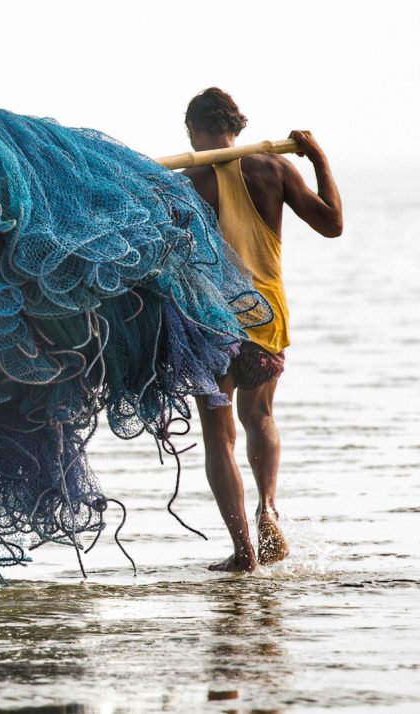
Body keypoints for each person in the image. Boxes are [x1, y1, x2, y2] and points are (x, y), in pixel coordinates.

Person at [182, 88, 343, 572]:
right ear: (237, 127)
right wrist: (318, 159)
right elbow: (332, 224)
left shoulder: (189, 182)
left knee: (219, 436)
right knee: (261, 416)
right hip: (264, 314)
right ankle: (268, 507)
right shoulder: (275, 169)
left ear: (194, 130)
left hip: (209, 318)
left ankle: (244, 552)